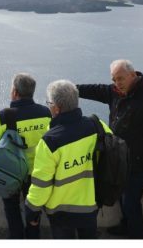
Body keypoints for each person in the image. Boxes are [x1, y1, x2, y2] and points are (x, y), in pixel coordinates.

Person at [77, 59, 143, 239]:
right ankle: (125, 226)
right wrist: (70, 89)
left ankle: (136, 236)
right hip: (118, 159)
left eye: (120, 79)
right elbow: (94, 89)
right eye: (113, 79)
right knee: (121, 196)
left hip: (139, 163)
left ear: (133, 75)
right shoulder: (115, 91)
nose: (116, 84)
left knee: (130, 202)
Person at [25, 79, 111, 239]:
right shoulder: (97, 126)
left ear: (56, 109)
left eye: (49, 103)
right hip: (90, 205)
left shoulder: (50, 141)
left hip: (60, 212)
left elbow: (41, 184)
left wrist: (31, 209)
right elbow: (112, 156)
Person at [0, 73, 51, 239]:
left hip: (11, 172)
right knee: (33, 208)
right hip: (37, 173)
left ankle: (17, 238)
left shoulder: (4, 116)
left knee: (12, 208)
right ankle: (33, 237)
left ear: (15, 92)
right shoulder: (46, 113)